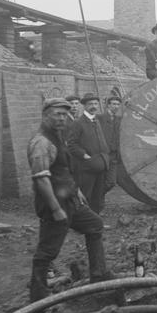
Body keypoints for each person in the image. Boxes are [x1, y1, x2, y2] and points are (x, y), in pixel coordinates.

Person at [26, 98, 114, 302]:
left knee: (95, 225)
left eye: (64, 114)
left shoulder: (58, 136)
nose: (62, 118)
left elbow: (64, 170)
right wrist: (56, 209)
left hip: (71, 201)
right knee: (47, 251)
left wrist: (77, 192)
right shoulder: (41, 142)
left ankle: (99, 274)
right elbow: (42, 180)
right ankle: (37, 296)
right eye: (57, 114)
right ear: (45, 115)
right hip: (54, 205)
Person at [68, 93, 110, 213]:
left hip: (101, 164)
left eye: (96, 103)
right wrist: (85, 156)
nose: (94, 106)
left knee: (99, 195)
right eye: (90, 104)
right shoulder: (78, 123)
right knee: (86, 194)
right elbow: (72, 144)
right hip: (87, 167)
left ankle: (96, 220)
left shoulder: (97, 120)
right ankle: (83, 221)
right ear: (84, 106)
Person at [98, 95, 123, 193]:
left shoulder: (119, 119)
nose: (116, 106)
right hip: (101, 155)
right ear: (108, 105)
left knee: (111, 182)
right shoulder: (99, 118)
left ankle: (98, 196)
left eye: (118, 104)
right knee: (98, 180)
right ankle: (96, 200)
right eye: (113, 104)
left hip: (113, 155)